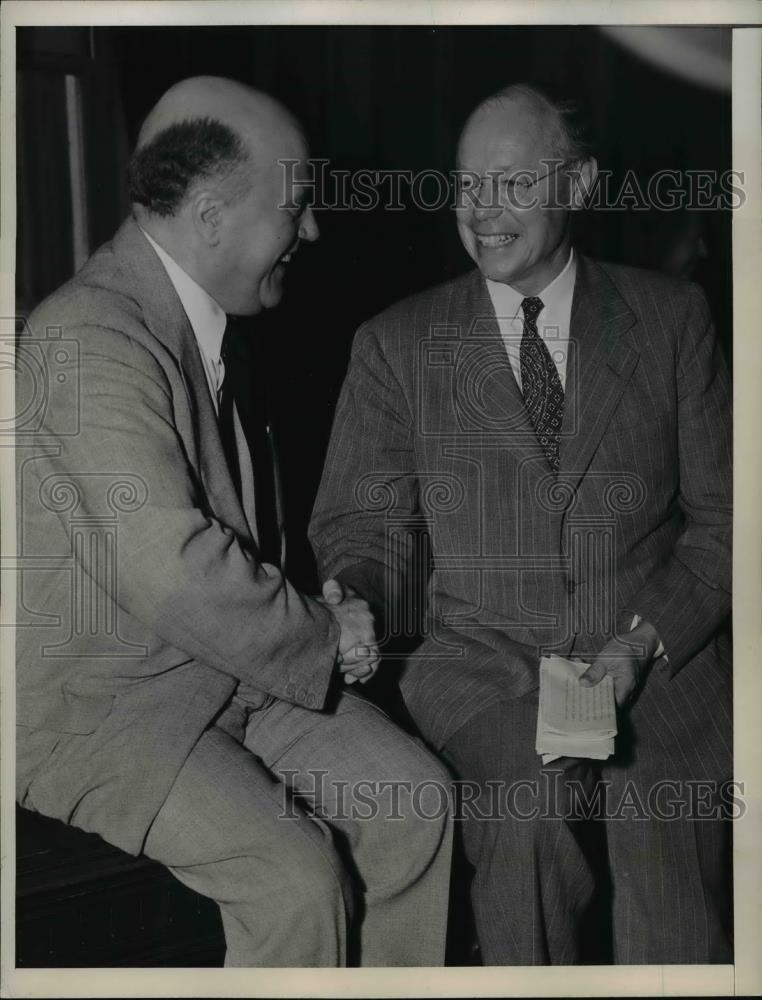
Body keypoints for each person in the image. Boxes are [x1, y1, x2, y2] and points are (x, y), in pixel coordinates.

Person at [15, 76, 453, 968]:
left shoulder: (211, 325)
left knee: (416, 804)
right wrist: (328, 634)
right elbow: (168, 567)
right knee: (296, 883)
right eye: (297, 206)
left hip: (231, 682)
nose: (315, 229)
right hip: (110, 712)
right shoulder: (87, 335)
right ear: (212, 214)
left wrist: (316, 621)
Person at [310, 83, 732, 965]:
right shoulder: (396, 343)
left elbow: (729, 520)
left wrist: (643, 644)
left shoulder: (673, 320)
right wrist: (357, 592)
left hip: (657, 662)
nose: (482, 212)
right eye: (467, 186)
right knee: (527, 814)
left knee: (675, 912)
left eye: (511, 185)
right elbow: (368, 525)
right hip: (484, 662)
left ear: (576, 186)